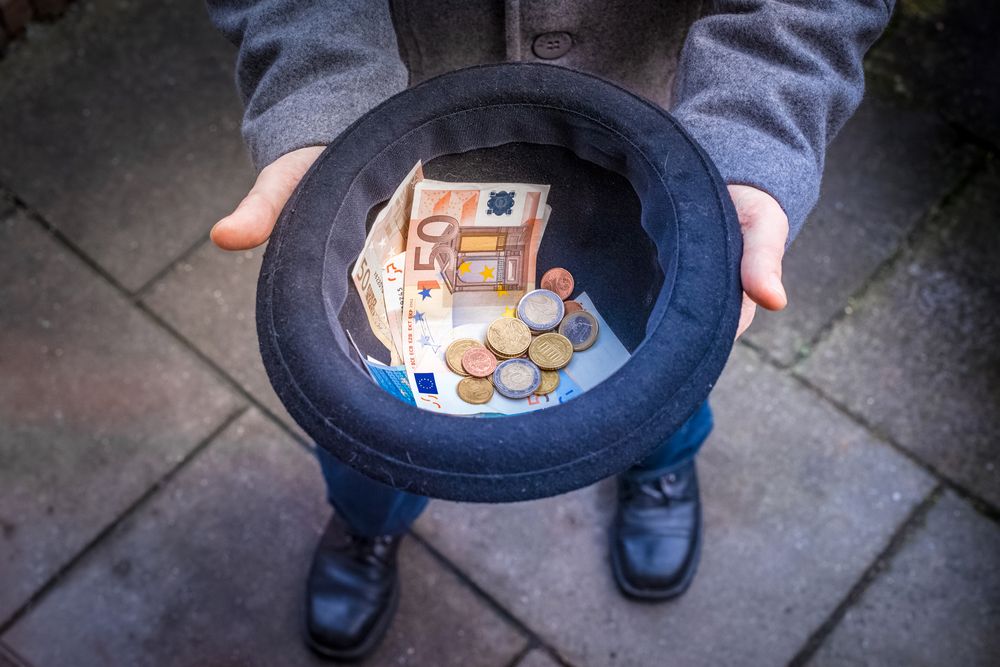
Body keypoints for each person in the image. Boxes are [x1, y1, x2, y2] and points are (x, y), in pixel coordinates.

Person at [206, 0, 893, 659]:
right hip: (400, 129)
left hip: (650, 136)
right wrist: (323, 98)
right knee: (362, 409)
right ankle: (368, 519)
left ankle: (659, 462)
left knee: (669, 356)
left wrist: (753, 131)